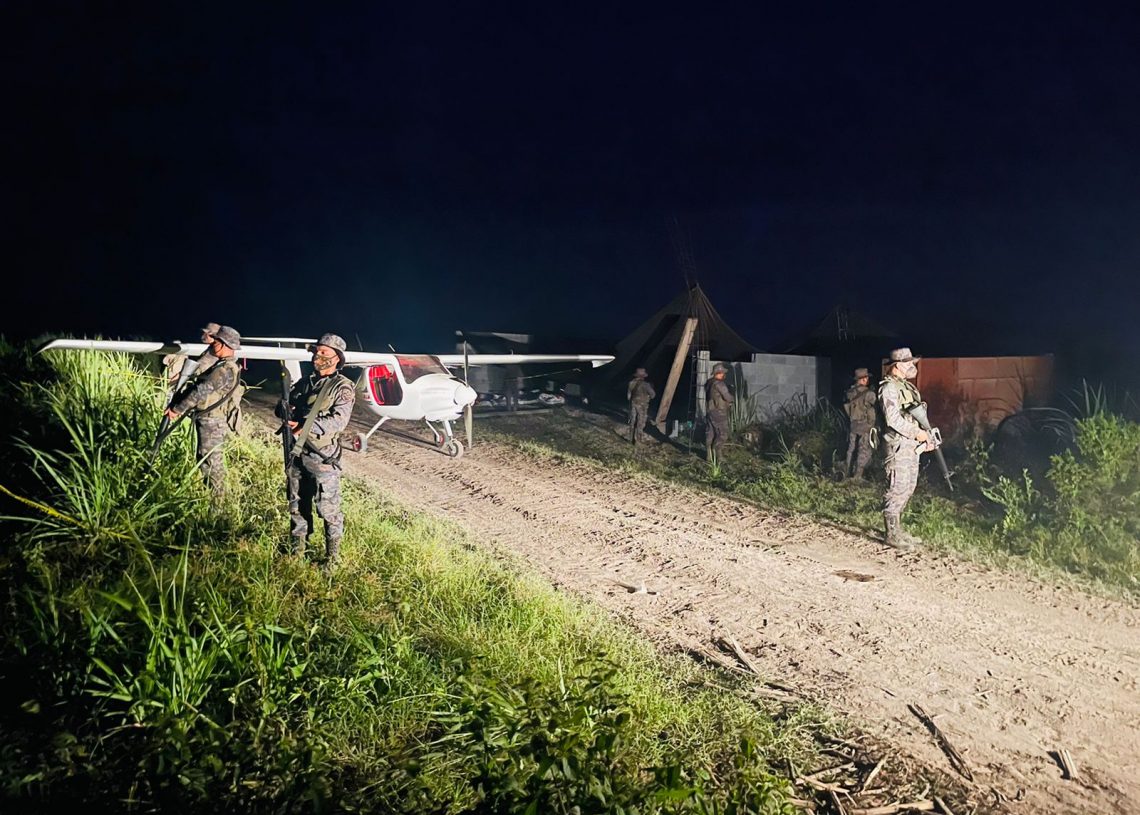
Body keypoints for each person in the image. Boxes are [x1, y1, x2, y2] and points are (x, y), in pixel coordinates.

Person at [278, 333, 357, 571]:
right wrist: (283, 409)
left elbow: (338, 421)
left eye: (324, 353)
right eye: (316, 352)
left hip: (322, 456)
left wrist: (305, 426)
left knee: (328, 509)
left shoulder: (342, 387)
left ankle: (332, 560)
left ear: (337, 358)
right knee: (297, 503)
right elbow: (289, 406)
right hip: (297, 453)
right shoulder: (305, 383)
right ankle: (298, 552)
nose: (317, 356)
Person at [164, 325, 243, 496]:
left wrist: (177, 409)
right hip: (211, 419)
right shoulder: (226, 366)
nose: (213, 344)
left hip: (212, 421)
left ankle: (217, 501)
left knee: (211, 462)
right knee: (206, 458)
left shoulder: (224, 369)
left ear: (224, 344)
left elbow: (200, 391)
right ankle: (213, 498)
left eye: (216, 341)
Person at [878, 347, 934, 549]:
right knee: (897, 487)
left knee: (909, 486)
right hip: (898, 445)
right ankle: (891, 534)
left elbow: (916, 416)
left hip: (910, 444)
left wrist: (925, 437)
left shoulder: (907, 387)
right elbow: (893, 419)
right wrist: (916, 433)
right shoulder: (888, 388)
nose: (912, 366)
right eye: (908, 363)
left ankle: (898, 530)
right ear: (898, 365)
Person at [842, 367, 877, 480]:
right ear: (863, 379)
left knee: (851, 448)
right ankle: (858, 475)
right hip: (866, 425)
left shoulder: (850, 393)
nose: (867, 380)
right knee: (864, 449)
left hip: (853, 424)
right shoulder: (869, 394)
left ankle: (847, 471)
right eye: (866, 378)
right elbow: (873, 408)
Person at [704, 363, 733, 461]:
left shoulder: (709, 383)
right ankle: (718, 455)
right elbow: (728, 397)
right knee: (723, 433)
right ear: (719, 373)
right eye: (723, 373)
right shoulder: (719, 384)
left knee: (710, 432)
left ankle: (709, 455)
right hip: (719, 412)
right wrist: (732, 397)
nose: (724, 375)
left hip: (710, 411)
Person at [626, 367, 656, 446]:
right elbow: (653, 395)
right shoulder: (646, 385)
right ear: (643, 376)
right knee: (641, 421)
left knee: (632, 420)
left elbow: (628, 396)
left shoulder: (631, 383)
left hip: (633, 403)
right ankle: (638, 440)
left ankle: (630, 439)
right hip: (642, 406)